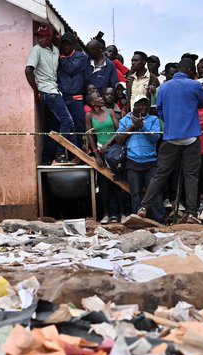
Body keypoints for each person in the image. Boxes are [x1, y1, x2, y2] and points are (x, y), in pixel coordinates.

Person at [137, 58, 203, 223]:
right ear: (190, 71)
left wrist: (170, 122)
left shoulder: (164, 87)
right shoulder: (194, 85)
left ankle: (143, 206)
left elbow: (159, 109)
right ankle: (191, 213)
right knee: (191, 176)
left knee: (160, 174)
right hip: (190, 137)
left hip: (170, 137)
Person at [104, 94, 165, 222]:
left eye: (145, 104)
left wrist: (142, 126)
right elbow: (119, 139)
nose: (143, 106)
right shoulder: (125, 120)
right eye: (139, 104)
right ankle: (137, 221)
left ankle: (159, 220)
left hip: (150, 162)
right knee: (135, 193)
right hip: (133, 161)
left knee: (155, 193)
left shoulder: (154, 119)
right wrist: (132, 126)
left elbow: (155, 138)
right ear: (134, 106)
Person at [25, 26, 77, 163]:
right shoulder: (36, 50)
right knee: (67, 121)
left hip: (55, 89)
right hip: (47, 91)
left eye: (43, 37)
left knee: (58, 125)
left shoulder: (55, 50)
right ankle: (59, 155)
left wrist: (59, 39)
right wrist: (36, 91)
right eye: (39, 37)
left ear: (50, 38)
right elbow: (28, 70)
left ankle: (73, 153)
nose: (40, 39)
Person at [85, 91, 123, 223]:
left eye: (100, 96)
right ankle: (107, 214)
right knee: (104, 184)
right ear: (92, 103)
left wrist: (108, 143)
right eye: (98, 97)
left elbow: (119, 131)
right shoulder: (89, 116)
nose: (101, 98)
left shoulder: (110, 112)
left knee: (117, 182)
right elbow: (90, 136)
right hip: (101, 153)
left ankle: (121, 213)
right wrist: (96, 154)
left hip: (114, 150)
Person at [57, 32, 88, 150]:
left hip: (76, 98)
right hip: (63, 97)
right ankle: (67, 155)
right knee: (63, 127)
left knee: (79, 127)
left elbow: (70, 68)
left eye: (68, 44)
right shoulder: (59, 57)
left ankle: (81, 153)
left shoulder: (81, 56)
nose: (66, 47)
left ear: (73, 45)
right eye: (63, 45)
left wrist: (62, 58)